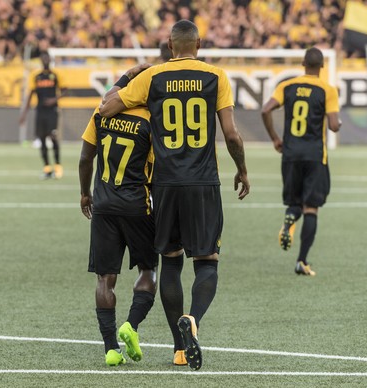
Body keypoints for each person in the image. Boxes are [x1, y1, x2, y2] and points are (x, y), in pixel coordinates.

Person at [100, 20, 250, 370]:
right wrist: (242, 169)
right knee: (207, 261)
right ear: (199, 43)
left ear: (169, 44)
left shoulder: (151, 78)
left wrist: (125, 79)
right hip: (203, 183)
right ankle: (193, 319)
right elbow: (231, 134)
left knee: (170, 261)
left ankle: (180, 348)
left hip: (164, 185)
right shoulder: (217, 76)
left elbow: (106, 107)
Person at [79, 64, 158, 367]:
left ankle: (111, 348)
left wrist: (86, 193)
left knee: (105, 279)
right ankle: (132, 325)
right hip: (138, 205)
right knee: (149, 271)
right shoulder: (150, 120)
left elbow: (86, 157)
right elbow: (157, 170)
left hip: (104, 205)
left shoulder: (102, 114)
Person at [261, 47, 341, 276]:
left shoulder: (287, 86)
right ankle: (302, 261)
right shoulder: (327, 89)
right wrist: (339, 123)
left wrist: (276, 138)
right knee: (311, 208)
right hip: (315, 155)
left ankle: (289, 219)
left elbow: (266, 110)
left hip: (290, 154)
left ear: (303, 64)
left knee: (294, 203)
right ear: (322, 67)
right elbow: (334, 126)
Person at [19, 52, 66, 179]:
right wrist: (24, 113)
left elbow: (65, 89)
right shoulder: (36, 76)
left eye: (47, 57)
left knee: (53, 136)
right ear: (41, 60)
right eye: (43, 58)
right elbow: (30, 95)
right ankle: (47, 168)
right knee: (42, 138)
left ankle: (57, 166)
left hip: (52, 111)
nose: (45, 60)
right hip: (40, 111)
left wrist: (54, 100)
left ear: (50, 59)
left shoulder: (55, 75)